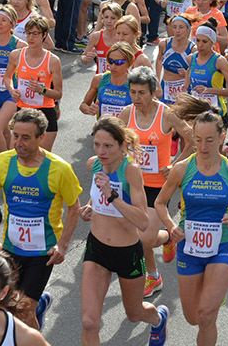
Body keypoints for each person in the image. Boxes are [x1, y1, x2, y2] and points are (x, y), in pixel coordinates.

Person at [155, 98, 228, 346]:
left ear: (222, 138)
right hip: (189, 247)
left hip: (223, 246)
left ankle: (213, 298)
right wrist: (171, 226)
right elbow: (160, 203)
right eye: (198, 140)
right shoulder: (182, 169)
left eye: (210, 140)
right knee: (192, 317)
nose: (203, 146)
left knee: (205, 315)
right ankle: (211, 298)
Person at [0, 108, 82, 330]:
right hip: (10, 248)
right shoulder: (1, 162)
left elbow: (74, 208)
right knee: (4, 306)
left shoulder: (59, 168)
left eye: (26, 137)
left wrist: (63, 245)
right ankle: (39, 306)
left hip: (42, 252)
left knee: (23, 311)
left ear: (41, 138)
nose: (18, 143)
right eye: (15, 135)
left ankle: (34, 318)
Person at [78, 117, 169, 346]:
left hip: (127, 252)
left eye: (108, 146)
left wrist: (112, 196)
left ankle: (158, 319)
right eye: (97, 144)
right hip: (97, 248)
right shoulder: (94, 164)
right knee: (89, 323)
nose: (101, 151)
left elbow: (143, 221)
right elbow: (98, 191)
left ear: (122, 145)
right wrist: (91, 204)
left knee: (135, 314)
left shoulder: (130, 171)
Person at [119, 66, 194, 297]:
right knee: (136, 237)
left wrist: (175, 165)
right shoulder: (126, 114)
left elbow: (192, 139)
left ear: (153, 92)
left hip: (158, 185)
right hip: (133, 182)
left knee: (145, 238)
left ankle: (155, 270)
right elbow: (117, 142)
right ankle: (162, 253)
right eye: (133, 92)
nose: (136, 97)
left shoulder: (166, 114)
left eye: (142, 92)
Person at [0, 16, 63, 151]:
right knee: (17, 154)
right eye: (28, 33)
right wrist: (12, 90)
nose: (31, 38)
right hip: (23, 111)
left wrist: (42, 90)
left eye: (35, 34)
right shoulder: (16, 55)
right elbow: (7, 77)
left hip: (45, 112)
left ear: (44, 35)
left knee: (42, 157)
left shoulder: (53, 61)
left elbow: (58, 93)